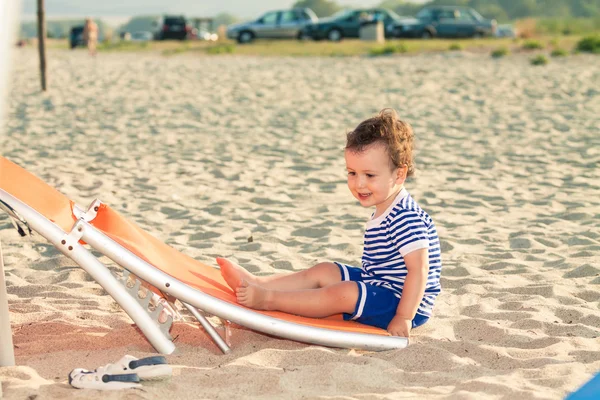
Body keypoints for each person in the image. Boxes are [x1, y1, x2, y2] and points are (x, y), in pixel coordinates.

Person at [217, 109, 442, 338]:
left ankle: (268, 299)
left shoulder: (406, 216)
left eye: (370, 175)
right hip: (380, 284)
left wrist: (404, 317)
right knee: (325, 270)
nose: (359, 184)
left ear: (399, 175)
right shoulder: (388, 206)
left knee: (342, 293)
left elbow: (419, 270)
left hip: (403, 301)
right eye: (352, 173)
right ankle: (259, 283)